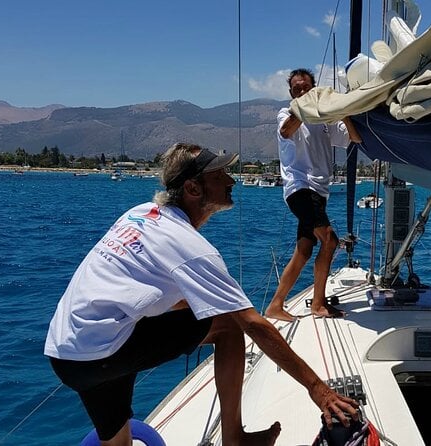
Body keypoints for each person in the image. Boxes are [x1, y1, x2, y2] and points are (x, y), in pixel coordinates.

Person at [44, 143, 358, 446]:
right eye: (220, 175)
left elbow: (149, 288)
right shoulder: (191, 248)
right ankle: (234, 439)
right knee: (227, 326)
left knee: (116, 438)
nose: (232, 180)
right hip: (103, 349)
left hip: (66, 351)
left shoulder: (142, 213)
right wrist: (319, 390)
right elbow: (252, 323)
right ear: (194, 189)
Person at [265, 68, 362, 322]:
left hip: (319, 192)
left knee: (305, 250)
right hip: (300, 188)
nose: (301, 91)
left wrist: (343, 110)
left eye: (306, 87)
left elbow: (353, 138)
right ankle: (318, 303)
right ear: (291, 92)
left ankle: (275, 305)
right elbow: (286, 132)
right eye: (297, 88)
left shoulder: (325, 120)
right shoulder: (286, 114)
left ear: (313, 87)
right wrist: (306, 104)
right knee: (329, 241)